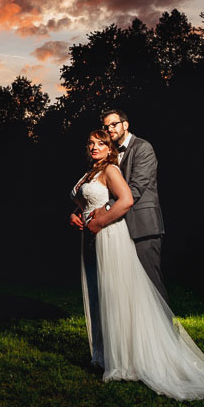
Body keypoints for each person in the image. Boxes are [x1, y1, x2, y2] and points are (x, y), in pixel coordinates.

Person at [70, 129, 204, 400]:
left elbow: (126, 200)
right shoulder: (88, 173)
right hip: (90, 239)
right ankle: (104, 354)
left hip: (109, 235)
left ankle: (123, 362)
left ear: (109, 148)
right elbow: (87, 201)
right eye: (90, 143)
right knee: (100, 296)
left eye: (100, 143)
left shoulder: (111, 170)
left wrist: (98, 223)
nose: (94, 147)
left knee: (116, 296)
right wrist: (77, 215)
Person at [81, 107, 166, 304]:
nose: (109, 128)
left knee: (151, 284)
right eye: (106, 126)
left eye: (114, 124)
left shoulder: (143, 148)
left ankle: (166, 332)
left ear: (125, 125)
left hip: (142, 226)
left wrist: (106, 210)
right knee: (128, 287)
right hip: (119, 228)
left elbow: (135, 189)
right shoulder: (109, 155)